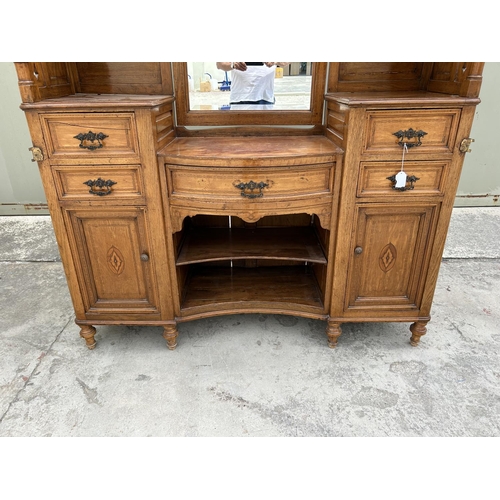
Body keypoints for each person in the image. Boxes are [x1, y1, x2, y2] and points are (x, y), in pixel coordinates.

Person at [216, 62, 289, 105]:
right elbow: (219, 64)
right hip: (239, 99)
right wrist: (232, 64)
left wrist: (275, 61)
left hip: (266, 98)